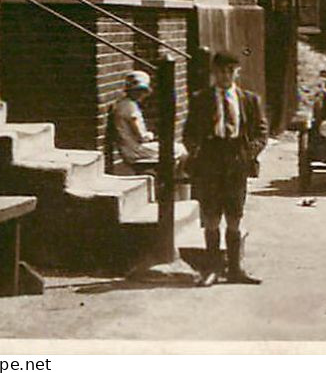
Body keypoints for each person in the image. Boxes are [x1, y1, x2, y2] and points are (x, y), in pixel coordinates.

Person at [184, 51, 268, 287]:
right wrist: (197, 152)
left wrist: (248, 154)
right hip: (210, 159)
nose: (225, 76)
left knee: (234, 216)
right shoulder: (201, 99)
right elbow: (189, 133)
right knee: (211, 216)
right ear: (214, 72)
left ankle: (235, 270)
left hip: (236, 159)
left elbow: (262, 132)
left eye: (230, 71)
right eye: (220, 71)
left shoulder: (249, 100)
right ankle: (211, 269)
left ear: (237, 72)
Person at [111, 70, 188, 170]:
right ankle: (177, 182)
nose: (140, 94)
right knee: (180, 150)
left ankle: (170, 178)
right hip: (136, 150)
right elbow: (141, 136)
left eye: (142, 91)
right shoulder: (130, 107)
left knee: (174, 151)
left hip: (129, 148)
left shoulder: (122, 104)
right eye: (138, 91)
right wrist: (150, 135)